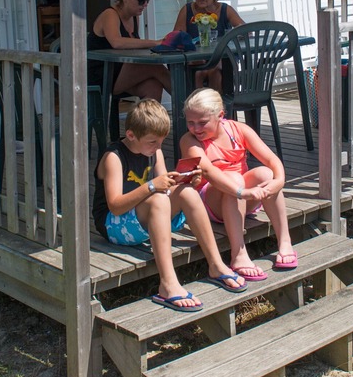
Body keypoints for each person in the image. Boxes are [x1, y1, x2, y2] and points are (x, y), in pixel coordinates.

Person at [92, 100, 247, 312]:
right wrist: (151, 186)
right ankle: (167, 283)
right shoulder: (114, 157)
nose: (158, 148)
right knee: (157, 199)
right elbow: (116, 206)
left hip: (143, 216)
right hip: (114, 226)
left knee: (188, 193)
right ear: (131, 135)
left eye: (161, 142)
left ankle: (216, 264)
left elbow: (164, 188)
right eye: (152, 142)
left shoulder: (153, 152)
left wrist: (187, 181)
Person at [177, 88, 296, 282]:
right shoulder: (189, 141)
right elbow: (209, 172)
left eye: (202, 122)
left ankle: (285, 241)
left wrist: (279, 181)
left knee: (266, 174)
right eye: (190, 122)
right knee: (234, 178)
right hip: (212, 202)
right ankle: (238, 254)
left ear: (220, 116)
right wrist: (242, 192)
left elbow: (272, 160)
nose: (196, 129)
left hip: (243, 196)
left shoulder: (239, 130)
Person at [90, 0, 170, 101]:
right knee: (155, 67)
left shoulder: (134, 16)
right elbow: (117, 42)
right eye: (141, 0)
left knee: (153, 87)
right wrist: (155, 43)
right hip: (102, 74)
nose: (145, 4)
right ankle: (189, 103)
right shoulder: (110, 14)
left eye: (147, 0)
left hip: (120, 72)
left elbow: (133, 46)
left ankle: (150, 116)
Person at [172, 0, 245, 92]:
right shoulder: (187, 10)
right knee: (198, 73)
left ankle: (217, 103)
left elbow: (245, 31)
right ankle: (198, 103)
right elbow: (176, 37)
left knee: (214, 70)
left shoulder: (225, 9)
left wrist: (235, 34)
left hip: (222, 59)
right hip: (196, 59)